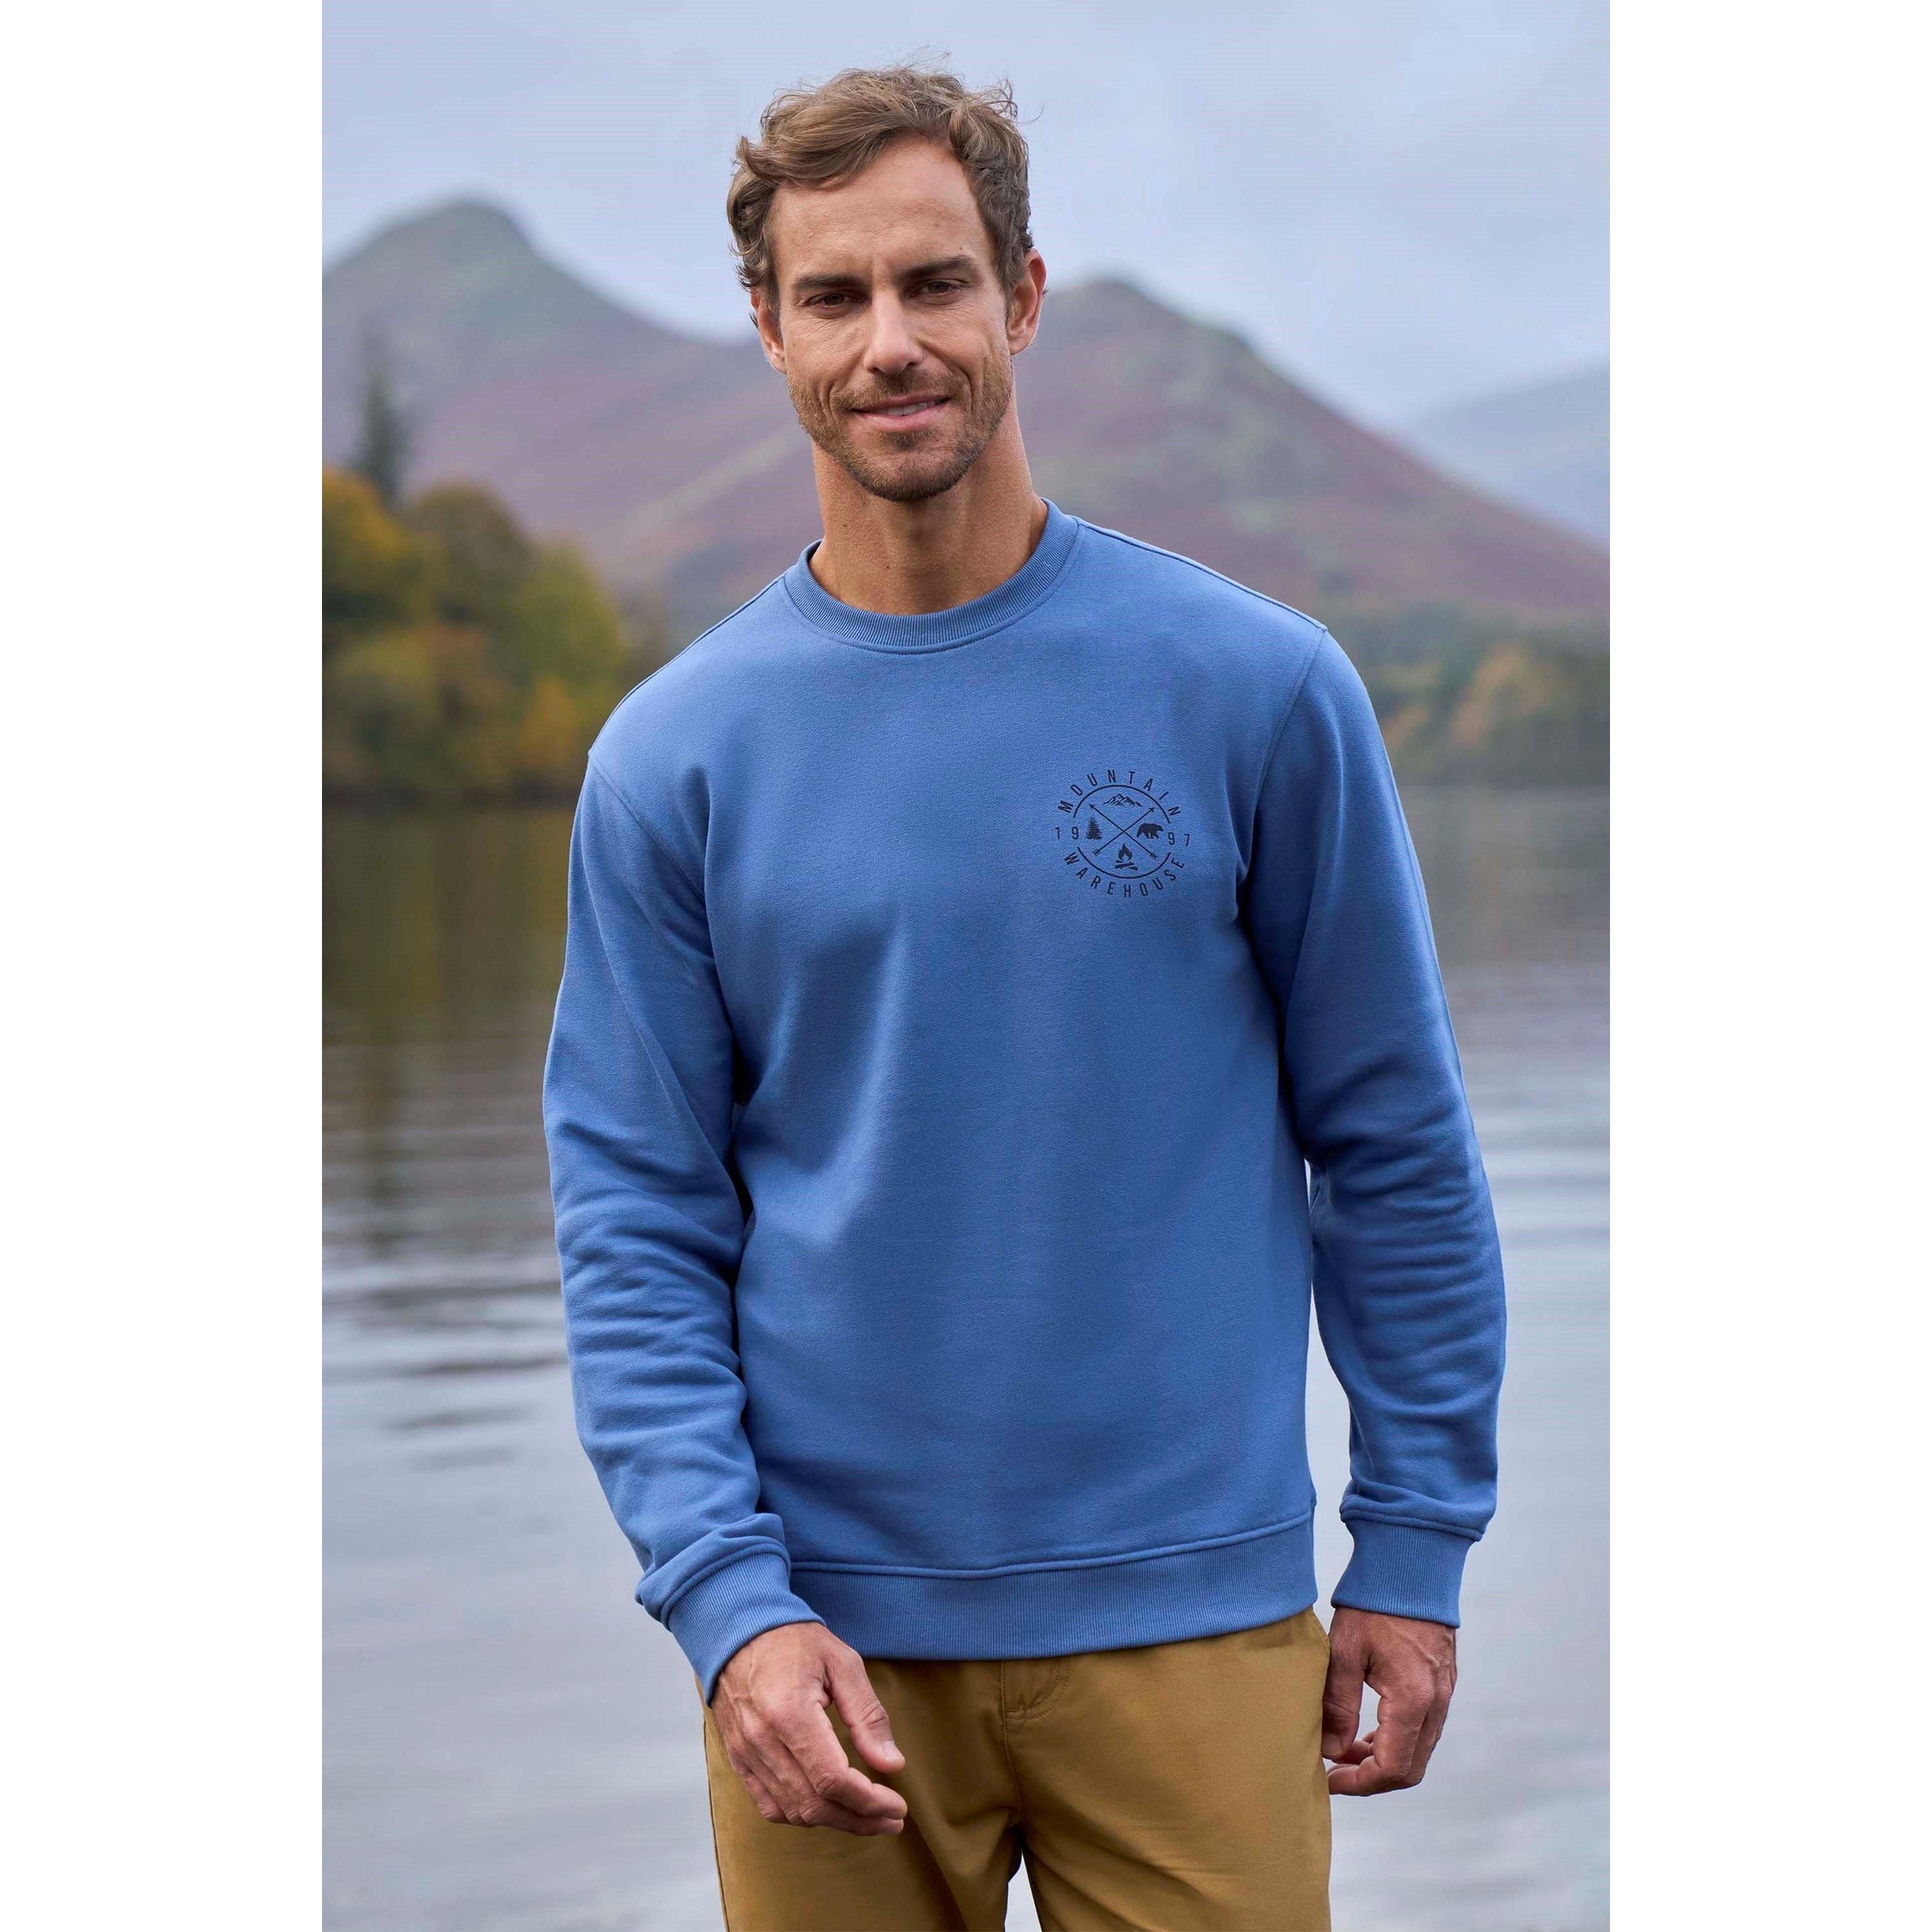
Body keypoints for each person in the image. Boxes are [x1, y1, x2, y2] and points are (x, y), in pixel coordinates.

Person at [543, 64, 1506, 1932]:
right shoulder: (674, 760)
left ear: (1025, 297)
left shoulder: (1256, 690)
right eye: (835, 296)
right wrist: (727, 1601)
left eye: (936, 283)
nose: (890, 342)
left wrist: (1415, 1541)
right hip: (823, 1650)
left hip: (1198, 1620)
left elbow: (1391, 1142)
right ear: (770, 330)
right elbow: (636, 1219)